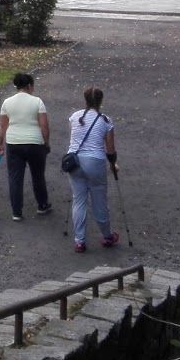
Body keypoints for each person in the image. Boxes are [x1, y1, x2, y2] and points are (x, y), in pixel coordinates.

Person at [65, 85, 119, 252]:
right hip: (95, 162)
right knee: (99, 200)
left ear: (85, 99)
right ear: (101, 101)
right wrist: (113, 165)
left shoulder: (75, 116)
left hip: (74, 161)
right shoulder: (106, 121)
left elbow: (74, 139)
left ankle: (79, 241)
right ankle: (107, 236)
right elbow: (110, 150)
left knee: (78, 200)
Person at [0, 72, 51, 221]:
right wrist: (46, 142)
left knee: (15, 178)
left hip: (14, 143)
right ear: (29, 86)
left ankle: (16, 212)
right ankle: (42, 205)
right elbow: (44, 126)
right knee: (38, 175)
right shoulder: (37, 102)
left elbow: (2, 126)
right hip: (35, 143)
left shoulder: (7, 102)